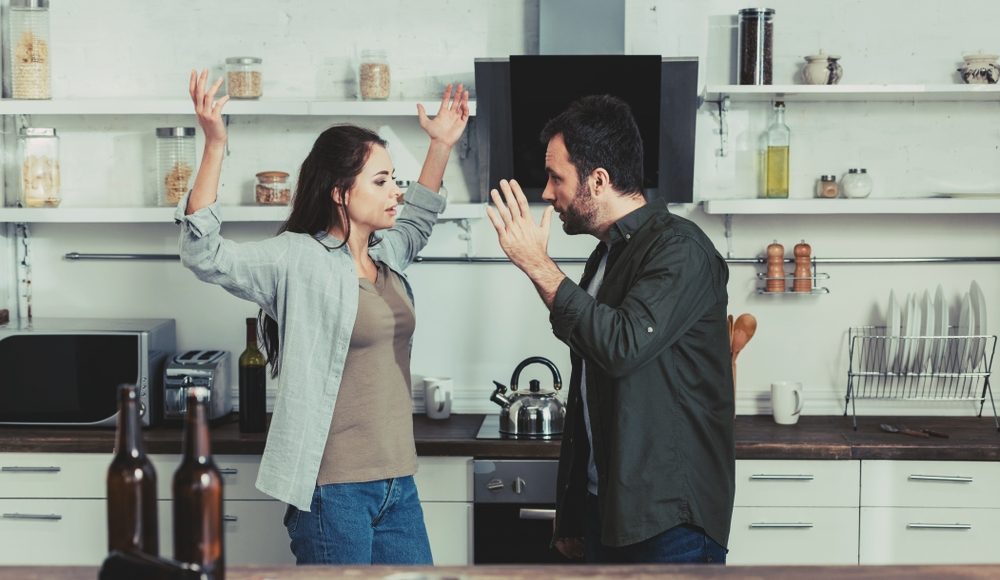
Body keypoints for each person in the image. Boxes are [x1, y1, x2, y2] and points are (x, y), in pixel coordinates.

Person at [177, 69, 470, 565]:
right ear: (340, 192)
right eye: (380, 181)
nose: (394, 190)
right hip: (333, 492)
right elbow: (203, 253)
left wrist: (440, 145)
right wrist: (213, 145)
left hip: (398, 484)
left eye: (393, 179)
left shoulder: (388, 255)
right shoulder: (296, 258)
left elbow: (419, 218)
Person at [485, 94, 734, 564]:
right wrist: (574, 514)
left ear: (598, 181)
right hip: (609, 511)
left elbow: (621, 345)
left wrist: (537, 264)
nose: (547, 192)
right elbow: (590, 386)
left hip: (669, 520)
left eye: (557, 177)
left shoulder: (680, 249)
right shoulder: (605, 258)